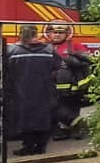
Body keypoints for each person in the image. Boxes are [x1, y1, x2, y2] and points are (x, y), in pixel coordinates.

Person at [6, 24, 61, 155]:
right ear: (36, 34)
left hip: (21, 91)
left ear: (20, 34)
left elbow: (7, 71)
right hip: (44, 90)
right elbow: (58, 66)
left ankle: (28, 146)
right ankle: (41, 146)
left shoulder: (12, 51)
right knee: (44, 117)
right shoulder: (48, 50)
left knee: (24, 118)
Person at [44, 21, 92, 139]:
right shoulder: (45, 47)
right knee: (55, 108)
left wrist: (74, 59)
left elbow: (87, 60)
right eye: (54, 32)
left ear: (67, 34)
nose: (57, 35)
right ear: (48, 33)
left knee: (71, 107)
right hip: (52, 86)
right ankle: (62, 130)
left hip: (72, 86)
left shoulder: (75, 46)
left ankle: (76, 129)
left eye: (61, 33)